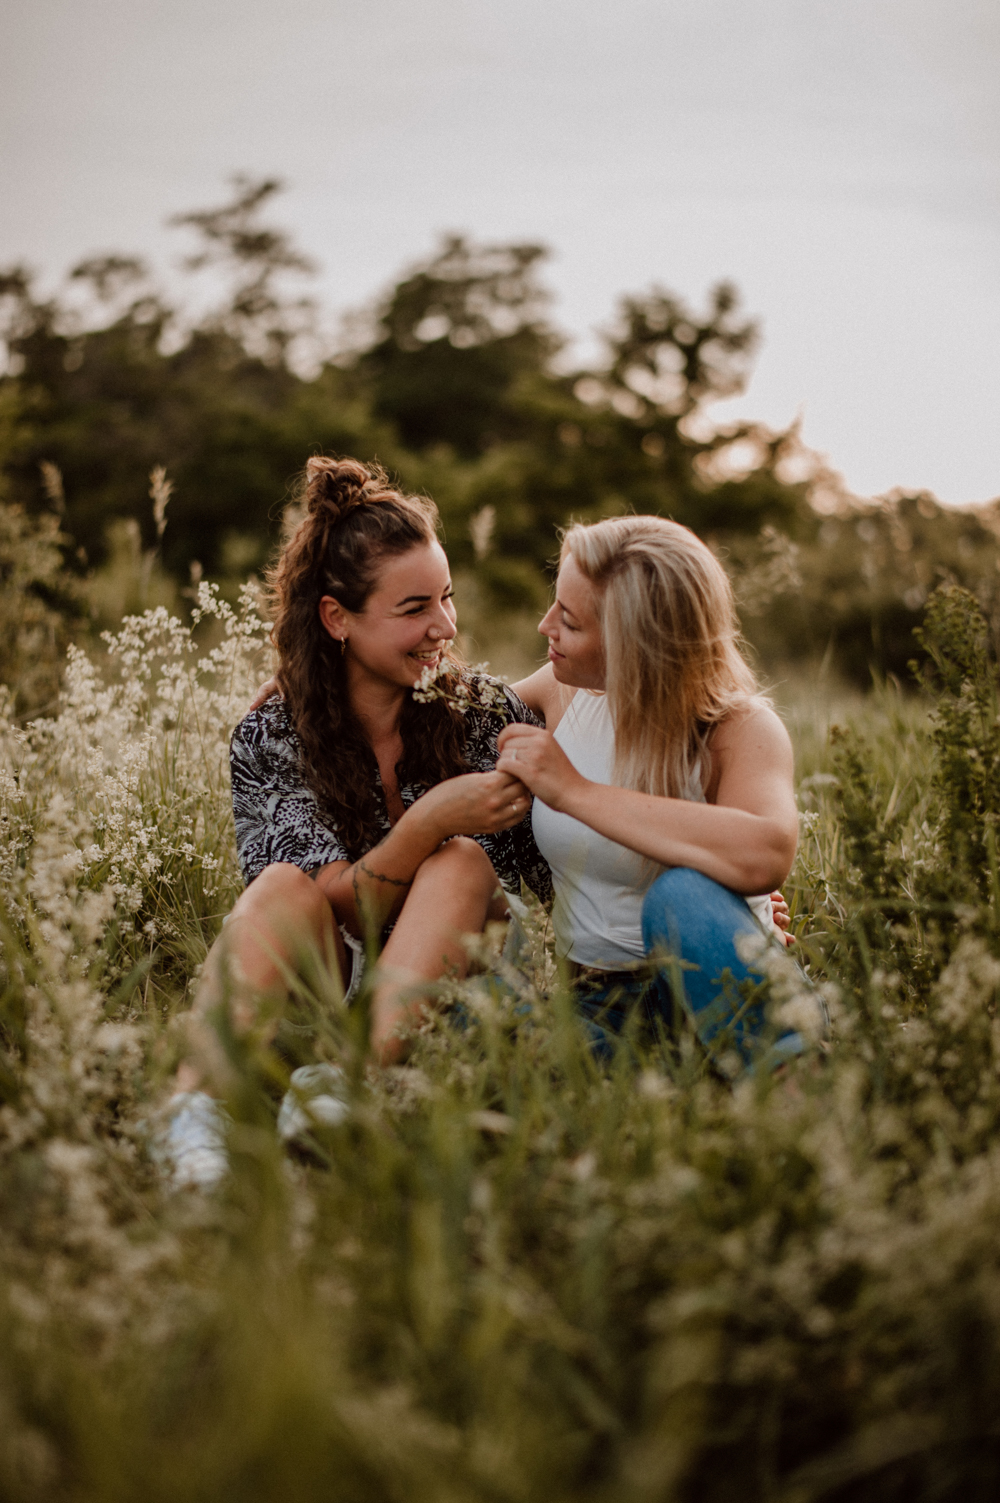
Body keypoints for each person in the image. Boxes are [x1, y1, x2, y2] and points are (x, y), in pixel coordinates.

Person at [154, 456, 551, 1188]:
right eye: (413, 609)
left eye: (447, 598)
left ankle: (342, 1089)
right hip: (336, 978)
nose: (444, 627)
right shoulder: (273, 733)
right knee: (280, 885)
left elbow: (601, 662)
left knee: (463, 860)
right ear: (337, 617)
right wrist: (429, 817)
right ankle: (191, 1116)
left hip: (469, 987)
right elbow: (332, 905)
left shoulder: (482, 711)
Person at [496, 514, 806, 1068]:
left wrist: (574, 791)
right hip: (602, 1004)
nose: (545, 626)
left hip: (728, 987)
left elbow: (766, 851)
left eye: (568, 620)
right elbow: (441, 712)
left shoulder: (737, 728)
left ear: (633, 646)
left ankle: (794, 1080)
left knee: (681, 895)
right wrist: (306, 682)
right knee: (492, 1032)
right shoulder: (565, 694)